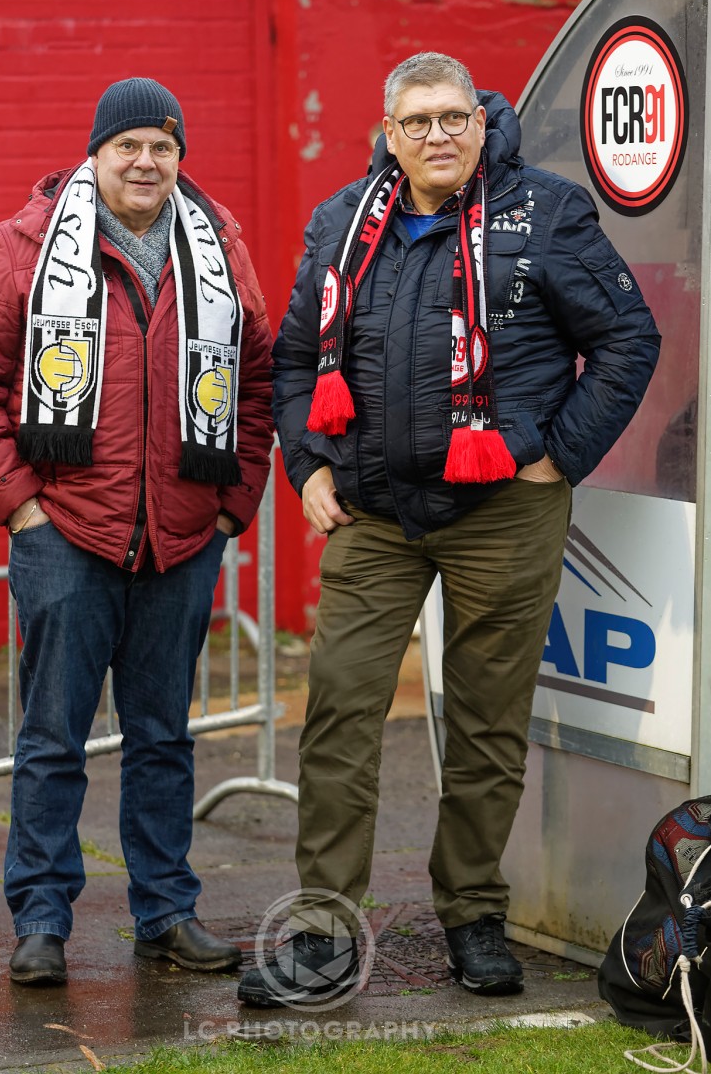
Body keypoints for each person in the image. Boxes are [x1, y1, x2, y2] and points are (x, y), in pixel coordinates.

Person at [237, 51, 660, 1008]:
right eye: (416, 121)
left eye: (453, 118)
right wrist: (304, 466)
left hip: (503, 514)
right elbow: (295, 356)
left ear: (482, 122)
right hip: (375, 514)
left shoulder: (544, 213)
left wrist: (557, 455)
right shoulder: (342, 220)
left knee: (484, 726)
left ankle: (472, 912)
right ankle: (323, 934)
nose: (437, 135)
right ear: (388, 132)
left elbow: (629, 337)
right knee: (340, 713)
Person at [0, 77, 274, 985]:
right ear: (94, 154)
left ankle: (166, 912)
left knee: (163, 738)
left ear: (178, 159)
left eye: (162, 146)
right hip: (65, 538)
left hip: (179, 541)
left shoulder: (219, 248)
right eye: (127, 145)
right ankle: (41, 920)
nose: (144, 160)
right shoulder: (21, 246)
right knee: (52, 740)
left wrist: (231, 504)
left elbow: (255, 383)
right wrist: (21, 508)